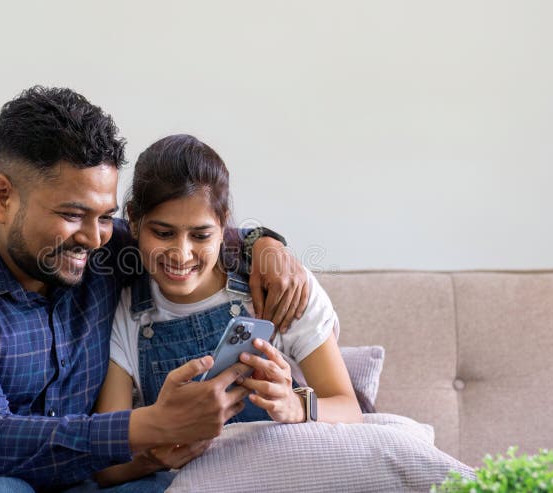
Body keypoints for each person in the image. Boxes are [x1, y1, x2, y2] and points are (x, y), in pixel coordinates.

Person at [0, 87, 310, 493]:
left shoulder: (105, 248)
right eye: (73, 214)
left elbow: (197, 238)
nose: (95, 237)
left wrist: (265, 245)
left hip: (71, 481)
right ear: (1, 196)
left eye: (106, 215)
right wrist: (151, 424)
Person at [91, 134, 363, 488]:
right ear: (135, 222)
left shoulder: (279, 288)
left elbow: (349, 409)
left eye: (201, 236)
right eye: (163, 233)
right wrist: (150, 459)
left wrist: (296, 406)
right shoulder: (127, 312)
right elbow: (106, 467)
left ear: (224, 226)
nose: (181, 253)